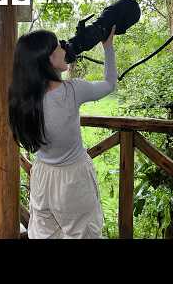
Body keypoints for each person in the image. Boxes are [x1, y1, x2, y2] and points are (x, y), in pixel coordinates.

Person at [8, 25, 117, 239]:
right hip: (73, 179)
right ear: (47, 60)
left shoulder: (21, 100)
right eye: (58, 46)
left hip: (41, 175)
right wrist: (108, 47)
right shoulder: (73, 90)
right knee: (83, 233)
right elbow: (109, 83)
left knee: (43, 234)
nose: (64, 48)